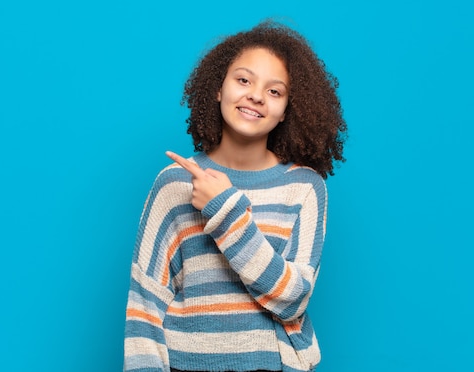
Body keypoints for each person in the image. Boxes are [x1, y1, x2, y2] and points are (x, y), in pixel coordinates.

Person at [124, 20, 347, 372]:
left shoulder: (305, 187)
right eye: (243, 80)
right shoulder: (176, 183)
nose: (256, 96)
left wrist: (225, 210)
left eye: (275, 91)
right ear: (218, 88)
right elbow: (145, 303)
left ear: (287, 110)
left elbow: (293, 299)